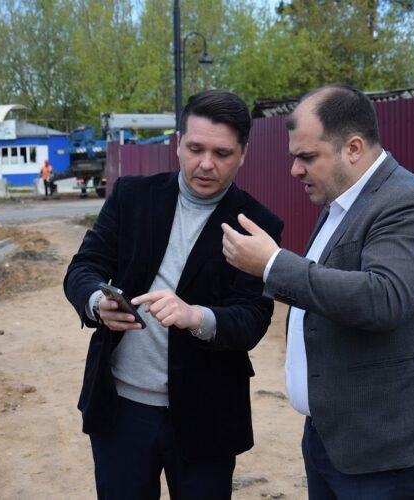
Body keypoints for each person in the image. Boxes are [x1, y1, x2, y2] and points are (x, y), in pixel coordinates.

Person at [221, 84, 414, 499]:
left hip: (381, 449)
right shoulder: (342, 203)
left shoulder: (408, 203)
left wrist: (273, 264)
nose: (295, 170)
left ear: (353, 148)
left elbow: (384, 298)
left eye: (307, 157)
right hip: (333, 435)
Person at [64, 89, 284, 500]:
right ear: (178, 143)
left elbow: (253, 318)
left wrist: (197, 316)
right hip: (120, 411)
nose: (206, 163)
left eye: (222, 153)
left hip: (208, 415)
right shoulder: (131, 196)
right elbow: (83, 268)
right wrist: (97, 303)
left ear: (243, 154)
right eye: (195, 148)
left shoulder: (257, 225)